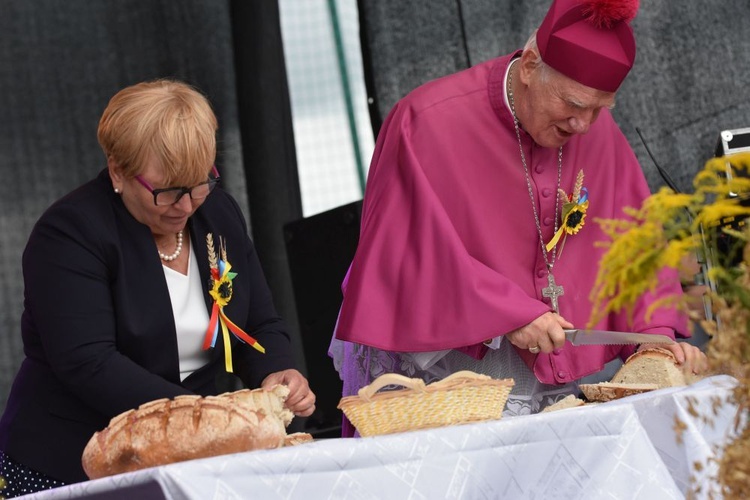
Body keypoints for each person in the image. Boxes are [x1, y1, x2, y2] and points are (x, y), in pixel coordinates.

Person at [330, 0, 707, 436]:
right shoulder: (425, 121)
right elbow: (403, 253)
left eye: (601, 108)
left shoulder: (596, 131)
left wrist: (654, 335)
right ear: (530, 65)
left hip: (561, 361)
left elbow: (636, 246)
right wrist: (505, 311)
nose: (584, 125)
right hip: (455, 368)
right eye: (573, 104)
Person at [0, 79, 316, 496]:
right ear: (118, 171)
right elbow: (89, 363)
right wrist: (212, 416)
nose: (186, 206)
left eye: (200, 182)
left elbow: (257, 321)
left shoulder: (218, 213)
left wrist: (278, 370)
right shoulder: (70, 234)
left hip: (193, 452)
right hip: (74, 461)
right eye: (168, 191)